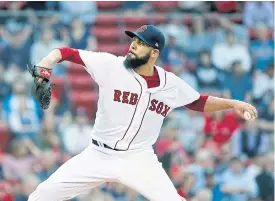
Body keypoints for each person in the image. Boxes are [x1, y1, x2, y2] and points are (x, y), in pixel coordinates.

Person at [28, 24, 258, 201]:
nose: (133, 45)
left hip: (138, 159)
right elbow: (67, 53)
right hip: (97, 154)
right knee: (42, 195)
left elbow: (198, 102)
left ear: (154, 52)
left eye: (141, 43)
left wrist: (233, 103)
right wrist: (47, 61)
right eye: (134, 40)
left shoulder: (170, 83)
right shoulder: (111, 65)